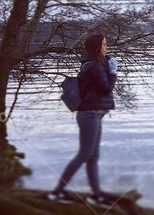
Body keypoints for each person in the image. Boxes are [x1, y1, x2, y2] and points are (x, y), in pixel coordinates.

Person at [48, 34, 119, 204]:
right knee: (85, 154)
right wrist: (113, 72)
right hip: (89, 114)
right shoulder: (94, 66)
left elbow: (100, 89)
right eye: (104, 44)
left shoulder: (95, 64)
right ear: (97, 47)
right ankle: (57, 192)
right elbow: (106, 89)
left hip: (94, 114)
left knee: (93, 157)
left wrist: (109, 69)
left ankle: (96, 195)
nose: (106, 47)